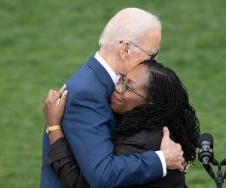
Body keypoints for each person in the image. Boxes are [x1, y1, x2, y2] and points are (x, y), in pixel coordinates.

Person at [41, 8, 186, 188]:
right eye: (152, 55)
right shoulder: (87, 94)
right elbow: (102, 175)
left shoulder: (112, 85)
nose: (154, 63)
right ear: (125, 49)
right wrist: (162, 160)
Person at [43, 60, 200, 188]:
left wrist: (54, 126)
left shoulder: (141, 142)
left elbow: (79, 184)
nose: (118, 88)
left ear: (150, 103)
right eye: (122, 79)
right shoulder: (155, 123)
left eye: (128, 87)